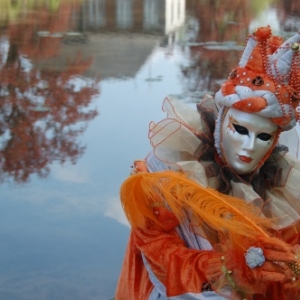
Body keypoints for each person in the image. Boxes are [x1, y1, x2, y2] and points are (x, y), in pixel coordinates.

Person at [115, 26, 300, 299]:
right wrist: (228, 271)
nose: (249, 147)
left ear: (274, 141)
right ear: (221, 121)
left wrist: (288, 266)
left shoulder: (283, 186)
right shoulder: (168, 170)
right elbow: (160, 256)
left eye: (263, 137)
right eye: (239, 130)